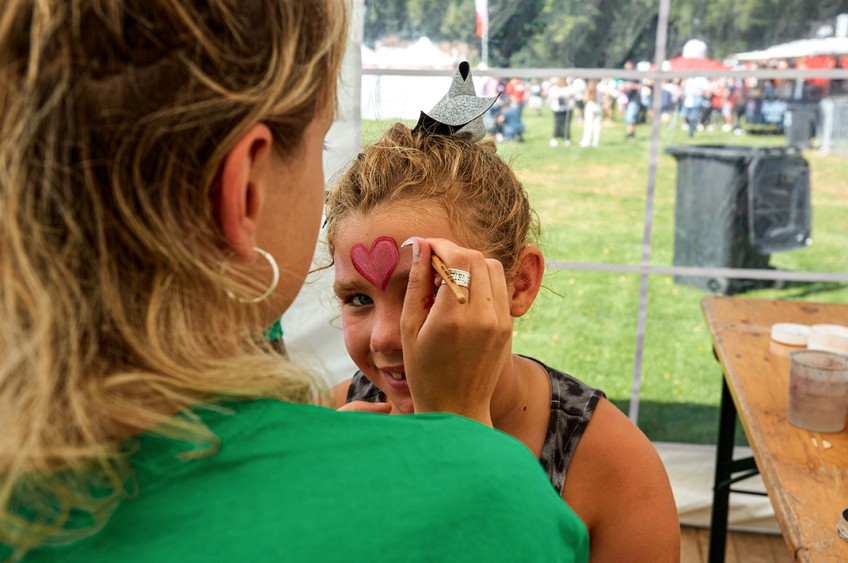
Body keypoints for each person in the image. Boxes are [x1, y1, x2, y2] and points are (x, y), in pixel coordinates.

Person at [0, 5, 589, 562]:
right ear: (244, 188)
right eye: (320, 141)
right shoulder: (486, 494)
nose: (389, 333)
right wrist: (456, 451)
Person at [326, 67, 681, 562]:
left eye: (428, 287)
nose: (387, 336)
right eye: (358, 299)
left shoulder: (613, 470)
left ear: (520, 283)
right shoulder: (340, 421)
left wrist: (459, 440)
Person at [547, 77, 573, 146]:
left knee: (566, 124)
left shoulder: (568, 88)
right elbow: (550, 97)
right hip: (557, 109)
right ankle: (555, 138)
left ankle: (566, 138)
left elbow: (572, 96)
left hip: (567, 109)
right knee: (557, 124)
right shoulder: (554, 88)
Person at [579, 80, 602, 147]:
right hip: (598, 106)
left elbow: (585, 99)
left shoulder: (588, 90)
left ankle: (586, 141)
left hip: (590, 106)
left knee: (588, 124)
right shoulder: (599, 90)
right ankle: (596, 141)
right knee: (597, 124)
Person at [622, 61, 641, 140]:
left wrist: (631, 86)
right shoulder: (624, 76)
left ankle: (631, 134)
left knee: (630, 117)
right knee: (627, 118)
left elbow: (640, 85)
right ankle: (629, 133)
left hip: (634, 99)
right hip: (626, 99)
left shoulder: (635, 75)